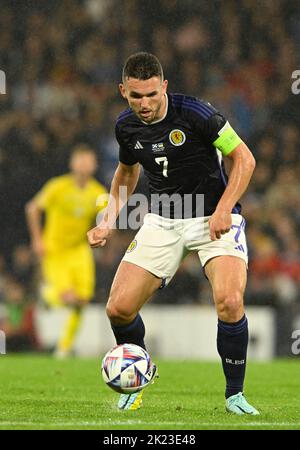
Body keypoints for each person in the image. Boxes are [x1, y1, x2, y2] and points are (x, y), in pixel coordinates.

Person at [87, 52, 258, 414]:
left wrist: (226, 207)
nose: (145, 104)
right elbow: (127, 173)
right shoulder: (126, 126)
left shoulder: (197, 114)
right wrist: (108, 219)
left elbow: (243, 158)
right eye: (136, 96)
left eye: (151, 94)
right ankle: (138, 375)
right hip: (163, 220)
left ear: (164, 86)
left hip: (213, 215)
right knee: (118, 309)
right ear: (123, 91)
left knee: (229, 302)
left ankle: (234, 396)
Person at [26, 144, 107, 357]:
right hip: (55, 250)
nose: (84, 165)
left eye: (88, 161)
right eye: (80, 160)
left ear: (94, 165)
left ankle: (63, 348)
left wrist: (103, 232)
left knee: (82, 301)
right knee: (67, 297)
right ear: (72, 164)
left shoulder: (97, 192)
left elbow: (109, 217)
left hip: (79, 250)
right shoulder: (57, 186)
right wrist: (37, 239)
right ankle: (47, 295)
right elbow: (33, 208)